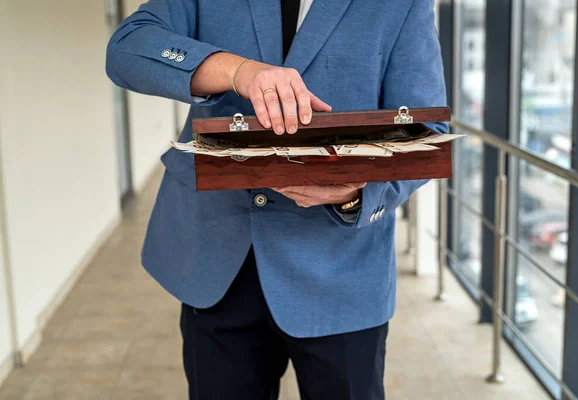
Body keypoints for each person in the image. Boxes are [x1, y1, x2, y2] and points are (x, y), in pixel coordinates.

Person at [106, 0, 448, 398]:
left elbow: (426, 131)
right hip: (217, 261)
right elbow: (127, 47)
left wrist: (357, 192)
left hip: (341, 274)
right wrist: (238, 71)